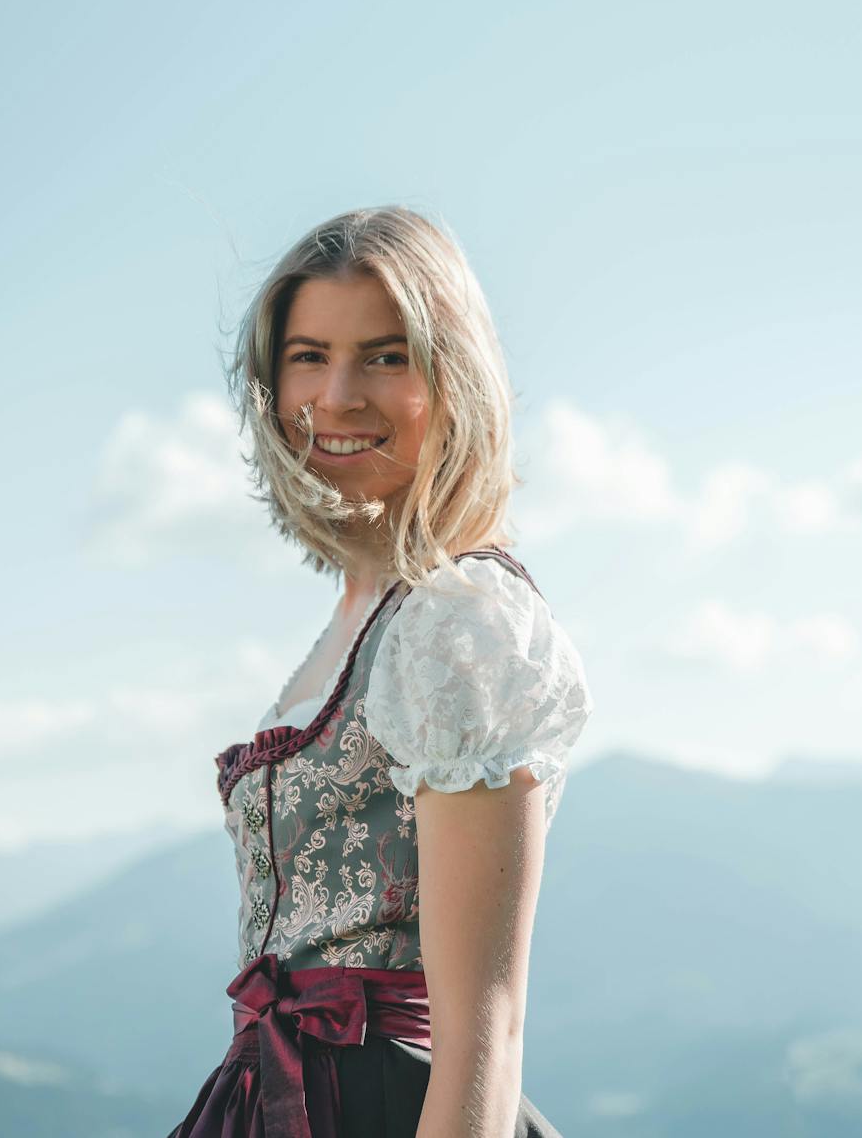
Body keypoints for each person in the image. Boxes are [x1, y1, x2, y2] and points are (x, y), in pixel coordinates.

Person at [165, 206, 593, 1138]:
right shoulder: (361, 614)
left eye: (387, 356)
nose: (339, 394)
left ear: (455, 379)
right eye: (309, 355)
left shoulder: (463, 624)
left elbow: (485, 1023)